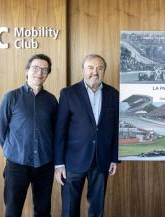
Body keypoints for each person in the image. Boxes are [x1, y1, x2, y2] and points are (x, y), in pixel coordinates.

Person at [54, 54, 119, 217]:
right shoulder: (68, 93)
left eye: (99, 68)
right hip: (72, 161)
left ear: (104, 71)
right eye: (90, 67)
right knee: (69, 209)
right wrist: (59, 163)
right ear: (83, 70)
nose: (94, 72)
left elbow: (117, 129)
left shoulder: (113, 94)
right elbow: (60, 130)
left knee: (97, 210)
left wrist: (114, 157)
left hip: (101, 159)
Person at [0, 54, 57, 217]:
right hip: (17, 165)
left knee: (43, 211)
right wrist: (12, 150)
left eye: (44, 70)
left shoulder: (51, 100)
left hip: (45, 165)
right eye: (36, 68)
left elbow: (55, 131)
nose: (40, 72)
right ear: (27, 71)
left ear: (48, 74)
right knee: (13, 211)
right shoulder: (12, 97)